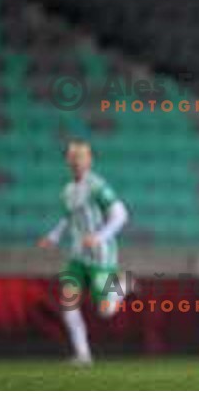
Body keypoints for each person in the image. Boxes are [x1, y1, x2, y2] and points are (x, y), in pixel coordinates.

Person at [37, 140, 130, 365]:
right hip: (78, 257)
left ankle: (120, 286)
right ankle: (83, 355)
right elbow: (68, 219)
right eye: (73, 157)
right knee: (68, 301)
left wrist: (98, 237)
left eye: (81, 157)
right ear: (68, 160)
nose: (76, 161)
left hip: (101, 257)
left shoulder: (98, 186)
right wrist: (53, 237)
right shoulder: (68, 191)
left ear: (89, 160)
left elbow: (121, 215)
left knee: (106, 311)